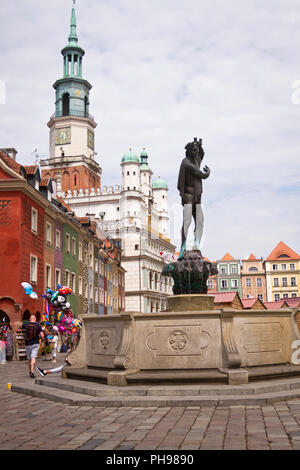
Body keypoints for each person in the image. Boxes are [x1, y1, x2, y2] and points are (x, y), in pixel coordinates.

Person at [177, 138, 210, 259]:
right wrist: (208, 173)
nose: (197, 153)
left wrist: (200, 146)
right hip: (188, 196)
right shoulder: (186, 162)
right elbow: (200, 174)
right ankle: (183, 246)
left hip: (197, 196)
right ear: (189, 151)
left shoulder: (196, 159)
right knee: (187, 221)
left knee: (200, 221)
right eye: (194, 151)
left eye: (197, 151)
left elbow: (202, 154)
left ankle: (196, 244)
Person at [23, 314, 46, 378]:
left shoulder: (26, 325)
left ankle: (30, 371)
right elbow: (42, 335)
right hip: (35, 343)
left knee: (29, 359)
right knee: (33, 357)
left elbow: (20, 327)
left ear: (30, 319)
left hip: (28, 343)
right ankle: (32, 371)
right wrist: (42, 338)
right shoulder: (38, 325)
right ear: (35, 319)